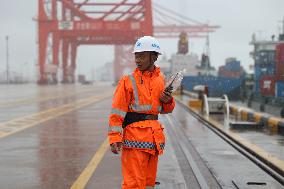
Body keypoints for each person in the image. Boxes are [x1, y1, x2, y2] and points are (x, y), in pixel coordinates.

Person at [108, 36, 175, 189]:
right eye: (136, 56)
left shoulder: (161, 80)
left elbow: (167, 109)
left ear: (154, 57)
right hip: (134, 141)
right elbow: (117, 112)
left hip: (153, 141)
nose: (137, 60)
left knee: (148, 184)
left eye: (142, 56)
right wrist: (114, 138)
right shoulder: (128, 81)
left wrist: (167, 100)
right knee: (133, 185)